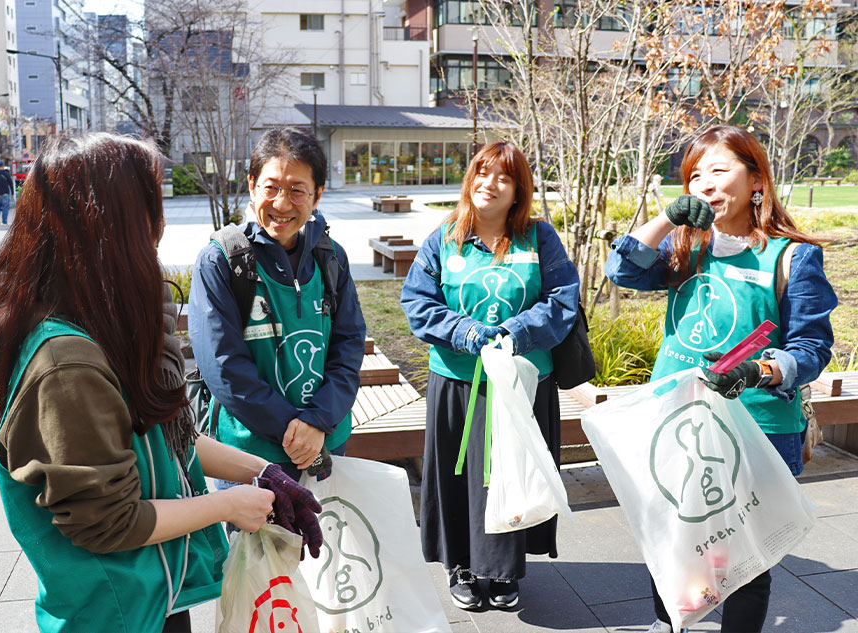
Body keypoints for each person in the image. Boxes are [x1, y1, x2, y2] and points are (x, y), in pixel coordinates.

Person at [0, 133, 323, 633]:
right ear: (111, 224)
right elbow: (109, 521)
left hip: (152, 597)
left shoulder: (101, 320)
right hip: (114, 612)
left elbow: (162, 437)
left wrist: (261, 472)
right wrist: (227, 504)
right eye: (152, 206)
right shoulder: (65, 364)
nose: (161, 226)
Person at [604, 125, 837, 633]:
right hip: (679, 417)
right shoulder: (685, 248)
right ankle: (668, 624)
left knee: (747, 554)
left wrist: (760, 371)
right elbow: (620, 271)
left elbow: (812, 348)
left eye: (719, 169)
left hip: (758, 425)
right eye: (694, 176)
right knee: (672, 535)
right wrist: (665, 219)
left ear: (756, 180)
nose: (705, 184)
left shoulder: (791, 256)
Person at [400, 141, 580, 611]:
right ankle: (460, 564)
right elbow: (416, 302)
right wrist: (467, 332)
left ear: (519, 190)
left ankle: (503, 570)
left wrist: (516, 333)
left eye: (503, 177)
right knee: (458, 476)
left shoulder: (539, 238)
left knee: (511, 473)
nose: (489, 183)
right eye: (482, 172)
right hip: (457, 382)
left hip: (523, 382)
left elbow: (563, 298)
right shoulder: (445, 238)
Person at [188, 126, 366, 484]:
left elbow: (348, 345)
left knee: (324, 524)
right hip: (249, 459)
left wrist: (318, 421)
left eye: (297, 190)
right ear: (252, 185)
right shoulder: (221, 261)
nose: (282, 204)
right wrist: (297, 433)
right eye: (271, 188)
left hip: (325, 446)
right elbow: (224, 367)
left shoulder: (331, 257)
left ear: (318, 195)